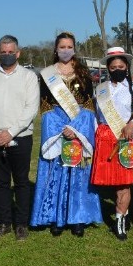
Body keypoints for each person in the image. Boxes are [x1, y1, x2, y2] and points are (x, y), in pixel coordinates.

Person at [30, 32, 102, 236]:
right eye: (62, 47)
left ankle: (77, 218)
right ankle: (56, 218)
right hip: (57, 128)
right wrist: (61, 128)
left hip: (78, 126)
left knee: (78, 173)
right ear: (56, 49)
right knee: (57, 171)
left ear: (74, 49)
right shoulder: (47, 74)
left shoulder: (83, 72)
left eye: (69, 46)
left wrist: (76, 128)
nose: (66, 50)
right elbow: (44, 106)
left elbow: (89, 104)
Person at [0, 35, 39, 241]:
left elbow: (31, 109)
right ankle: (3, 222)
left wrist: (10, 132)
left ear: (18, 53)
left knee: (21, 182)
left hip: (20, 137)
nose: (7, 55)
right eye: (3, 52)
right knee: (2, 182)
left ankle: (21, 224)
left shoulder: (29, 77)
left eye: (10, 52)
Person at [91, 46, 133, 240]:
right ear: (108, 68)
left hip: (127, 138)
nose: (117, 69)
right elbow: (96, 115)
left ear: (126, 67)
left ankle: (119, 222)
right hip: (106, 138)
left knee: (124, 185)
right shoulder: (100, 89)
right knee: (114, 183)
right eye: (113, 66)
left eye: (121, 65)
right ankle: (124, 215)